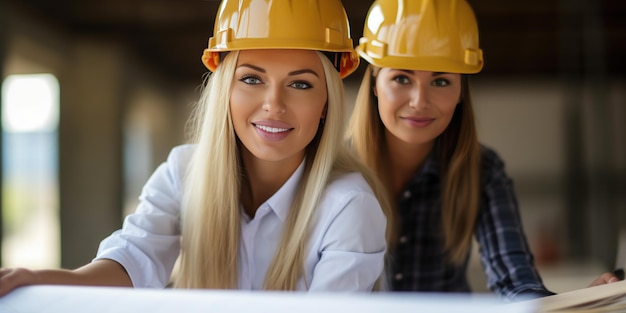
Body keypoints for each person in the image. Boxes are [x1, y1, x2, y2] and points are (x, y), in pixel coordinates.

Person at [0, 0, 393, 296]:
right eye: (252, 80)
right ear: (225, 91)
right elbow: (135, 259)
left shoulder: (349, 207)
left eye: (300, 84)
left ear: (327, 102)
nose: (274, 104)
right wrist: (41, 280)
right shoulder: (182, 171)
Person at [346, 0, 619, 301]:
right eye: (401, 78)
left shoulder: (482, 170)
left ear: (461, 90)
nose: (419, 101)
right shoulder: (331, 168)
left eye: (440, 80)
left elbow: (516, 283)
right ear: (373, 82)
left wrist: (577, 303)